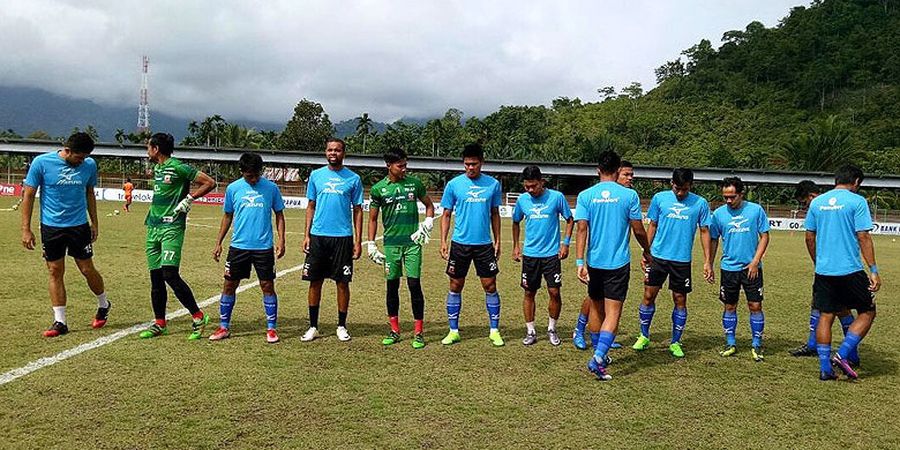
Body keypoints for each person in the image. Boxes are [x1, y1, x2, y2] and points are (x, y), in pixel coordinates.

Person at [20, 132, 111, 337]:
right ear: (67, 150)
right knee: (55, 270)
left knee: (87, 269)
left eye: (85, 158)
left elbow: (89, 192)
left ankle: (104, 304)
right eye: (79, 157)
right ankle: (60, 321)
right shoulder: (41, 163)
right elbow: (28, 194)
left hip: (79, 225)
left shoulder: (89, 165)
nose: (82, 162)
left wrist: (94, 222)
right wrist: (26, 228)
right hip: (51, 227)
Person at [576, 151, 651, 380]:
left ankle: (601, 352)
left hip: (594, 262)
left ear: (598, 169)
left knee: (596, 309)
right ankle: (598, 358)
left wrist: (580, 262)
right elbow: (638, 229)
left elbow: (581, 229)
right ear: (618, 169)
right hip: (617, 263)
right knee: (613, 312)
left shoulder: (585, 195)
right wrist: (647, 250)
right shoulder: (629, 196)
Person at [138, 132, 216, 340]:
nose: (147, 151)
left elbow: (209, 182)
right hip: (152, 227)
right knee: (156, 278)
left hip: (172, 226)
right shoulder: (157, 168)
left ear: (156, 149)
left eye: (148, 147)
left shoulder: (179, 167)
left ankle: (198, 316)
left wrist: (189, 198)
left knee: (170, 274)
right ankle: (159, 323)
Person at [805, 165, 880, 381]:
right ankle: (843, 354)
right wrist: (873, 270)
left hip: (824, 271)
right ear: (856, 181)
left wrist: (818, 261)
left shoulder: (817, 202)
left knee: (826, 316)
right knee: (867, 311)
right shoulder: (857, 201)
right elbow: (863, 236)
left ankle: (824, 368)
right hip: (850, 269)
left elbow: (810, 237)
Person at [633, 168, 713, 358]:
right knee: (648, 295)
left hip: (682, 260)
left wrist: (708, 261)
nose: (680, 193)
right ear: (671, 183)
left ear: (690, 186)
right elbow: (652, 225)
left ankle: (676, 341)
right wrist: (646, 250)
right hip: (658, 257)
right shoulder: (660, 199)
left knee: (680, 299)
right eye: (677, 188)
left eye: (684, 189)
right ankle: (643, 336)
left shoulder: (700, 203)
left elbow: (704, 232)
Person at [209, 153, 286, 343]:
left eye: (256, 175)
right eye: (248, 175)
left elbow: (279, 215)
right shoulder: (233, 188)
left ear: (261, 171)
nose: (253, 179)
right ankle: (224, 327)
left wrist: (281, 240)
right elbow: (227, 216)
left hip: (263, 248)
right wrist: (218, 242)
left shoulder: (271, 188)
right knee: (229, 285)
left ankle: (271, 329)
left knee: (267, 285)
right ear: (242, 172)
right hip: (238, 247)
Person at [367, 147, 435, 349]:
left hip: (413, 244)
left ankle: (419, 333)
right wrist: (371, 244)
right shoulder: (379, 189)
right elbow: (372, 219)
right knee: (392, 287)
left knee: (414, 285)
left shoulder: (415, 184)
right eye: (400, 165)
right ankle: (394, 330)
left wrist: (428, 222)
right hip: (391, 245)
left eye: (406, 165)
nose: (404, 169)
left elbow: (430, 206)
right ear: (389, 166)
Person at [439, 143, 504, 346]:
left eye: (474, 164)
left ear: (481, 163)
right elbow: (446, 214)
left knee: (490, 285)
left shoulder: (493, 184)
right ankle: (453, 330)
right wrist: (443, 241)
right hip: (460, 244)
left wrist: (498, 240)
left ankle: (494, 330)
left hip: (484, 245)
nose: (470, 168)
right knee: (456, 284)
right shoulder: (454, 185)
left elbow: (495, 214)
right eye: (467, 164)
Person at [300, 138, 363, 342]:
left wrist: (358, 240)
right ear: (325, 152)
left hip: (343, 238)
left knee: (342, 283)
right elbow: (311, 206)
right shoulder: (316, 176)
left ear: (344, 153)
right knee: (314, 282)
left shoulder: (353, 179)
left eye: (337, 150)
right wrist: (306, 235)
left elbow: (358, 210)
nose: (333, 153)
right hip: (318, 237)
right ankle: (313, 326)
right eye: (329, 150)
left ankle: (342, 326)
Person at [789, 180, 855, 357]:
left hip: (830, 268)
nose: (805, 207)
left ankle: (850, 352)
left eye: (804, 203)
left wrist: (817, 262)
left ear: (811, 196)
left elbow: (810, 238)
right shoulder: (841, 204)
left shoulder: (817, 207)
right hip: (846, 264)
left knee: (838, 309)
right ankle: (813, 344)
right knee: (819, 304)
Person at [573, 159, 634, 350]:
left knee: (601, 303)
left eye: (632, 175)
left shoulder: (626, 195)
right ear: (617, 173)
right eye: (626, 175)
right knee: (596, 302)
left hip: (606, 261)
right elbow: (582, 228)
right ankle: (582, 332)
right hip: (600, 262)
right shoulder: (620, 195)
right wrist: (580, 261)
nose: (629, 178)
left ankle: (600, 342)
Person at [708, 177, 770, 362]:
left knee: (755, 306)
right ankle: (730, 343)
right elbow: (713, 239)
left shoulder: (755, 210)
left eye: (732, 197)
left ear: (741, 194)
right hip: (728, 268)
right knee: (729, 305)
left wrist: (755, 261)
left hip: (751, 268)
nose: (728, 200)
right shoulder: (718, 214)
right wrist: (709, 264)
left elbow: (765, 236)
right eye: (725, 197)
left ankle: (757, 345)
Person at [511, 165, 574, 346]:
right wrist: (516, 246)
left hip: (551, 255)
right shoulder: (523, 200)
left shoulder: (556, 197)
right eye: (527, 186)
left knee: (554, 292)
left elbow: (570, 220)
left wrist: (565, 243)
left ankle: (552, 329)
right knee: (529, 292)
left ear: (542, 182)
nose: (530, 190)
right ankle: (530, 331)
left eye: (533, 186)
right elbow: (516, 222)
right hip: (530, 255)